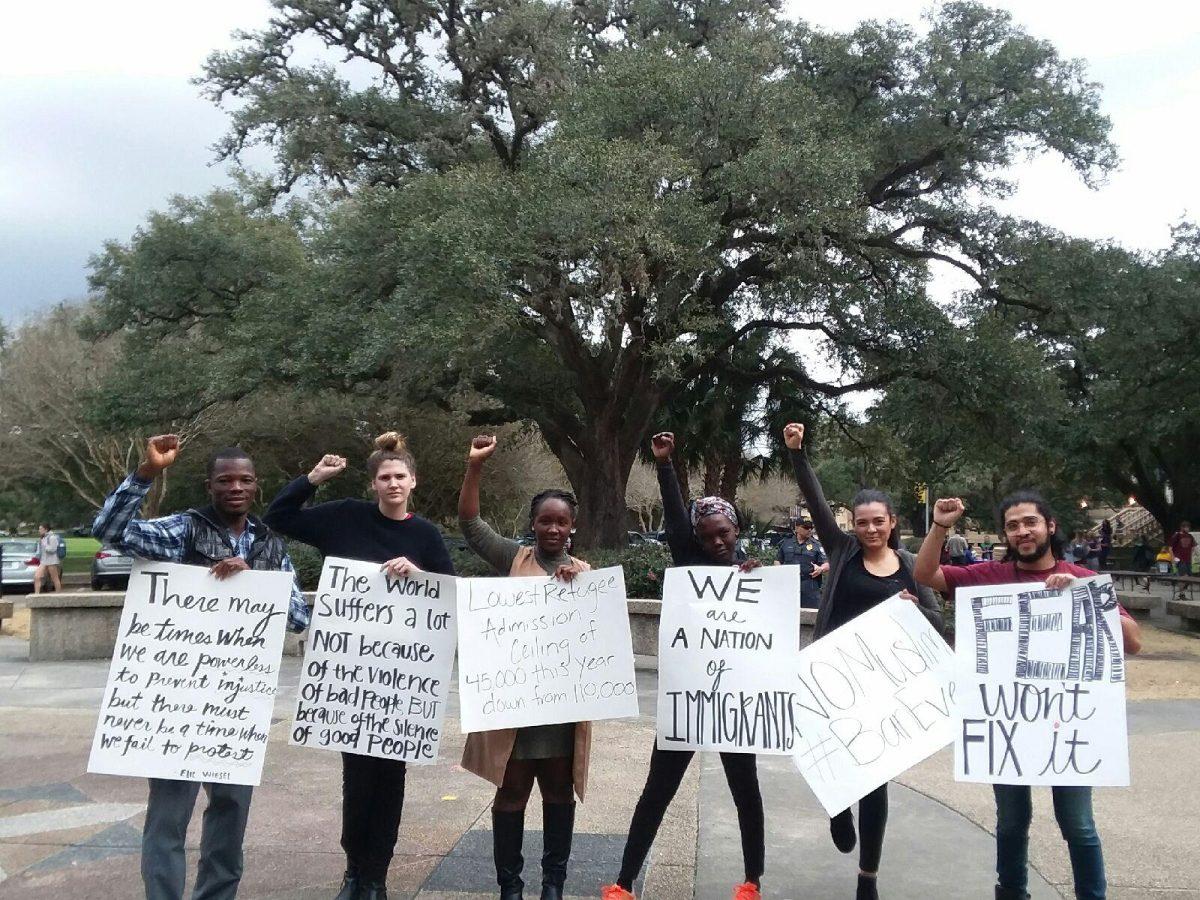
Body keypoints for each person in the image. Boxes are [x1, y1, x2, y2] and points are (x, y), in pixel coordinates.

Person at [92, 434, 310, 900]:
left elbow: (297, 617)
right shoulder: (184, 530)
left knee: (231, 812)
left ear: (256, 486)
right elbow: (110, 532)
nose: (236, 487)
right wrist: (146, 473)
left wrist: (256, 581)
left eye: (245, 480)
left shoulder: (270, 544)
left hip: (237, 705)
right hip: (176, 702)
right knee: (169, 815)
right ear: (209, 485)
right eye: (225, 480)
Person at [915, 491, 1142, 900]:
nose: (1023, 531)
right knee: (1011, 822)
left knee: (1078, 825)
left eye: (1030, 522)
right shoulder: (988, 577)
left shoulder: (1081, 577)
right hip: (1009, 727)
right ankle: (1012, 891)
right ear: (1006, 533)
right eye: (1013, 525)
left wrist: (1085, 597)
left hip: (1067, 726)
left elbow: (1133, 642)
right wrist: (940, 525)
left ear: (1049, 526)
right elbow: (925, 573)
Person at [264, 432, 455, 900]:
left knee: (390, 778)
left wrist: (420, 574)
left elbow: (451, 593)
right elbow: (278, 519)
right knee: (357, 776)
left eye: (400, 476)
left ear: (414, 482)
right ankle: (354, 870)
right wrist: (311, 479)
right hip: (350, 680)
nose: (392, 483)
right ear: (373, 484)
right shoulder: (345, 516)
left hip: (403, 682)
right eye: (384, 477)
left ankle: (377, 876)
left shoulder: (426, 536)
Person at [783, 423, 943, 900]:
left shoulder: (912, 567)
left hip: (883, 693)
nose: (869, 529)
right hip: (830, 681)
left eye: (878, 521)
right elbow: (814, 501)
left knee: (875, 781)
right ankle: (837, 810)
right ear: (852, 524)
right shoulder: (843, 550)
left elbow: (938, 623)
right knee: (828, 767)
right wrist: (797, 453)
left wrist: (921, 612)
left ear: (892, 522)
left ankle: (867, 876)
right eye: (861, 521)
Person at [603, 431, 766, 900]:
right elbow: (675, 520)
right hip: (688, 701)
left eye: (725, 532)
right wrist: (665, 465)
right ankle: (624, 881)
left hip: (734, 704)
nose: (717, 540)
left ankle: (752, 880)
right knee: (657, 790)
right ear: (696, 537)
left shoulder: (754, 578)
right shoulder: (688, 565)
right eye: (708, 534)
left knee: (746, 793)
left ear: (736, 531)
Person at [457, 434, 591, 900]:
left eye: (561, 522)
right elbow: (470, 524)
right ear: (533, 524)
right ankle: (509, 887)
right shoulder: (513, 559)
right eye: (544, 521)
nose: (553, 529)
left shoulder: (587, 575)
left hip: (558, 714)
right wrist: (475, 466)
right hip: (513, 710)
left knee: (558, 795)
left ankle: (553, 884)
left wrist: (578, 584)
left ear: (572, 526)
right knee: (510, 795)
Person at [773, 514, 828, 608]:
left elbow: (827, 563)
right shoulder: (786, 543)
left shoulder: (816, 545)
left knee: (811, 617)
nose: (809, 530)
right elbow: (778, 560)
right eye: (806, 527)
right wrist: (779, 571)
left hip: (809, 586)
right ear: (797, 528)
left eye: (811, 527)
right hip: (789, 585)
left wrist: (821, 569)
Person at [33, 523, 64, 594]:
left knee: (54, 578)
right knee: (37, 577)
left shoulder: (52, 537)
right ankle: (36, 594)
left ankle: (58, 593)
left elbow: (53, 549)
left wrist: (45, 545)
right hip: (44, 561)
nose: (39, 530)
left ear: (46, 529)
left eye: (41, 529)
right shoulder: (43, 537)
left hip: (52, 561)